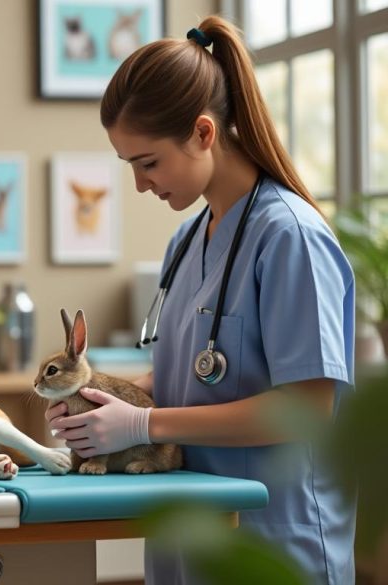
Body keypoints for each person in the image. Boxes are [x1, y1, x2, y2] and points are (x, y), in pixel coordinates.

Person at [46, 16, 355, 585]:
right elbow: (191, 371)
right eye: (130, 166)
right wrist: (100, 403)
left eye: (149, 163)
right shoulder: (186, 242)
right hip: (188, 540)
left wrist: (144, 423)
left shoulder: (291, 238)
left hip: (275, 544)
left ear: (204, 133)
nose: (140, 185)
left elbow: (309, 408)